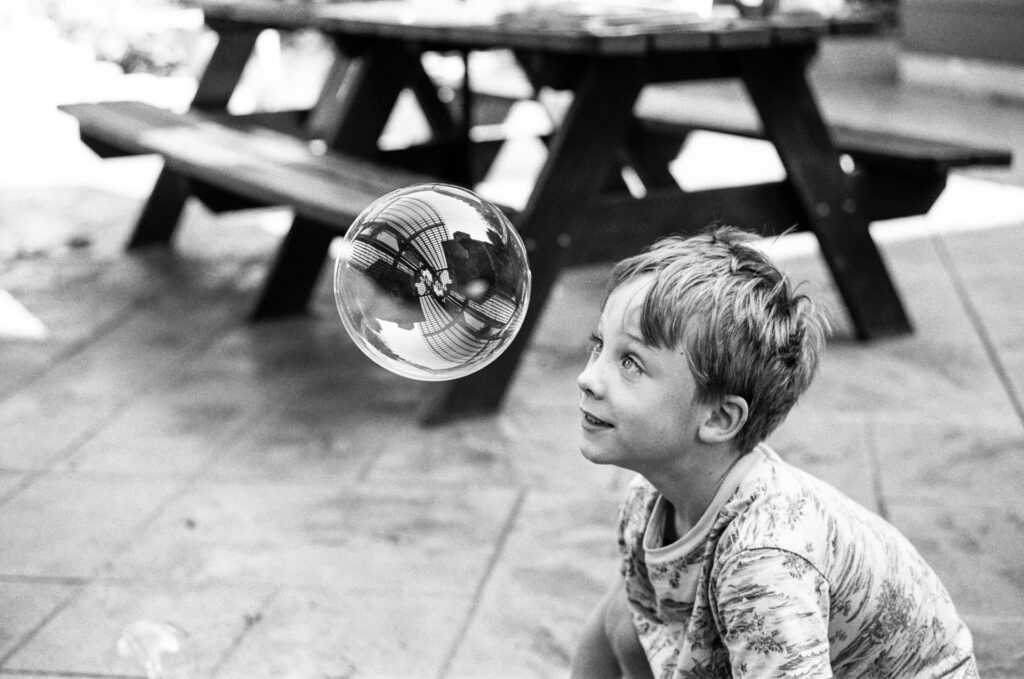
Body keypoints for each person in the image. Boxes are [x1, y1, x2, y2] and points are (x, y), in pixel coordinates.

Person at [570, 226, 977, 679]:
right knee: (629, 621)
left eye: (631, 363)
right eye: (599, 346)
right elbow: (608, 631)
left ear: (720, 419)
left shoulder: (764, 560)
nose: (589, 378)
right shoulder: (647, 500)